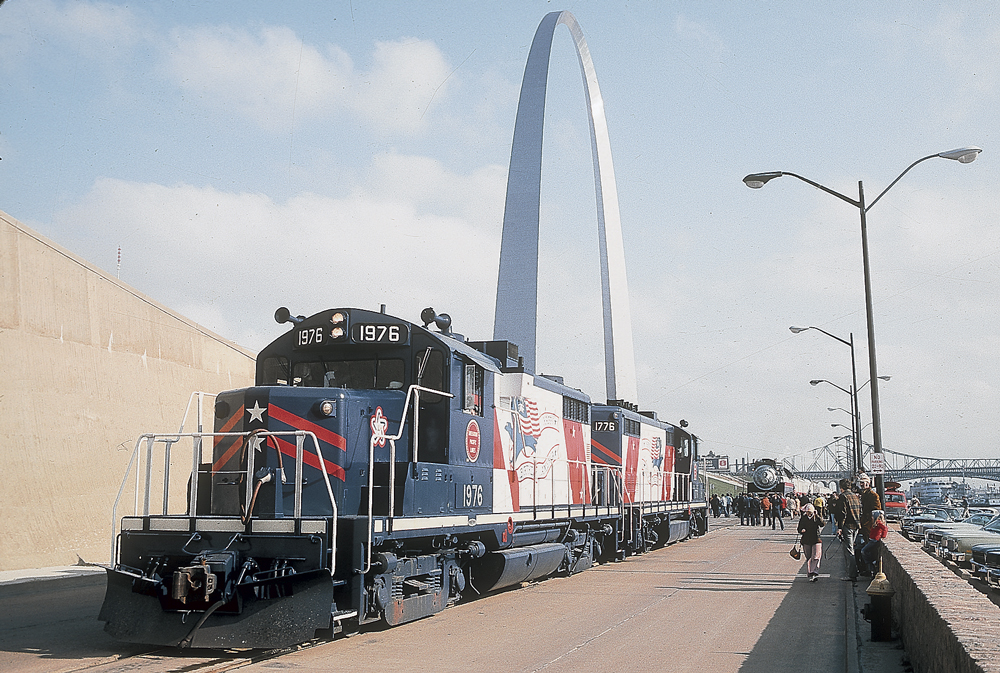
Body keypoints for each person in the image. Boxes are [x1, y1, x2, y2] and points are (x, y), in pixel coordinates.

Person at [834, 477, 863, 582]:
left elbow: (842, 514)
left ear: (841, 487)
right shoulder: (855, 496)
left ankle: (851, 575)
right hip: (856, 526)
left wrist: (840, 528)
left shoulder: (843, 497)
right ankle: (855, 572)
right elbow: (861, 511)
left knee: (849, 551)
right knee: (852, 549)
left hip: (847, 526)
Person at [797, 503, 825, 581]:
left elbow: (822, 524)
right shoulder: (803, 518)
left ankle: (814, 572)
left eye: (810, 512)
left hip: (816, 539)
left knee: (816, 556)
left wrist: (818, 516)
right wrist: (801, 530)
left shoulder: (816, 517)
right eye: (807, 512)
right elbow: (799, 528)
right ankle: (810, 572)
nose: (809, 513)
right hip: (806, 539)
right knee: (808, 556)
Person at [860, 510, 888, 576]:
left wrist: (883, 536)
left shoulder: (878, 522)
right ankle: (871, 566)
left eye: (872, 516)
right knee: (868, 552)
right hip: (872, 540)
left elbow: (885, 529)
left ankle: (871, 563)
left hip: (874, 541)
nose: (871, 517)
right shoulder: (876, 523)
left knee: (863, 551)